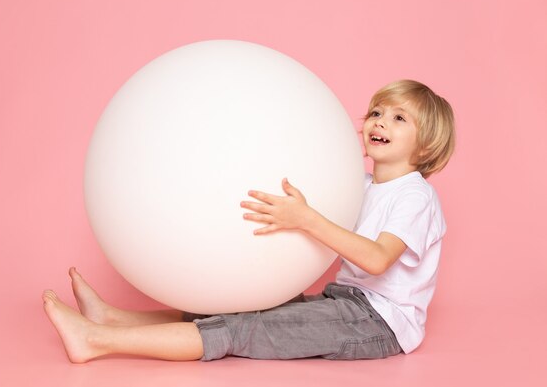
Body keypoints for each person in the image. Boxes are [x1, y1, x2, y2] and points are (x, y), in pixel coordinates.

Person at [42, 79, 455, 363]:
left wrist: (307, 219)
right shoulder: (361, 184)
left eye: (399, 118)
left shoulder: (415, 195)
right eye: (376, 112)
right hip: (344, 301)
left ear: (427, 143)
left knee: (243, 329)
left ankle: (96, 341)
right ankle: (113, 318)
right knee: (244, 304)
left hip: (379, 323)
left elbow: (379, 259)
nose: (379, 121)